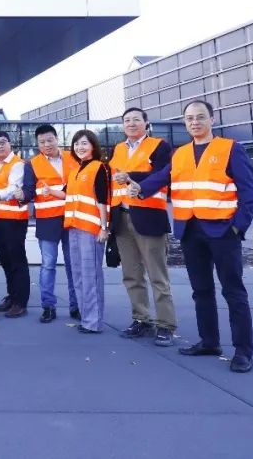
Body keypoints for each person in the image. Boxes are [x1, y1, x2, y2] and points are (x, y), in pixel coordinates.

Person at [129, 100, 253, 373]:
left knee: (233, 291)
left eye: (200, 117)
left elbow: (249, 193)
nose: (195, 122)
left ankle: (243, 351)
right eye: (189, 118)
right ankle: (209, 342)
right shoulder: (180, 154)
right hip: (190, 230)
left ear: (212, 119)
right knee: (201, 290)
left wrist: (237, 227)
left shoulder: (231, 149)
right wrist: (140, 188)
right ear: (185, 122)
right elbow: (163, 177)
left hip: (223, 231)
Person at [110, 108, 176, 346]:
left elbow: (162, 175)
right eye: (127, 120)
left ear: (146, 123)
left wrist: (131, 175)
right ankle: (142, 319)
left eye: (136, 119)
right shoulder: (118, 149)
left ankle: (166, 325)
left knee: (157, 275)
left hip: (149, 216)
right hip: (122, 217)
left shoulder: (159, 146)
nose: (131, 123)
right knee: (131, 274)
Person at [22, 124, 79, 323]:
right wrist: (22, 196)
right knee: (48, 265)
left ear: (57, 139)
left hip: (73, 217)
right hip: (47, 220)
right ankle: (48, 306)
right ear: (37, 144)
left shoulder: (74, 157)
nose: (47, 144)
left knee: (73, 264)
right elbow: (29, 190)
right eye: (42, 142)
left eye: (50, 140)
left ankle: (76, 306)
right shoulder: (32, 164)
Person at [63, 130, 111, 333]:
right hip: (74, 227)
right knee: (79, 274)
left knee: (91, 276)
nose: (79, 147)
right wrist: (47, 191)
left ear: (93, 146)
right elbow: (66, 193)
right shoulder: (76, 170)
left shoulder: (99, 167)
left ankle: (93, 322)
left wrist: (104, 228)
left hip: (91, 230)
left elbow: (103, 200)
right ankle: (86, 317)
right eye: (76, 144)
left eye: (84, 143)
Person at [0, 131, 31, 318]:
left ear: (10, 143)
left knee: (17, 261)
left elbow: (13, 188)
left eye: (2, 142)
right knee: (5, 260)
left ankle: (20, 302)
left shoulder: (18, 164)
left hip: (14, 220)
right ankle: (12, 297)